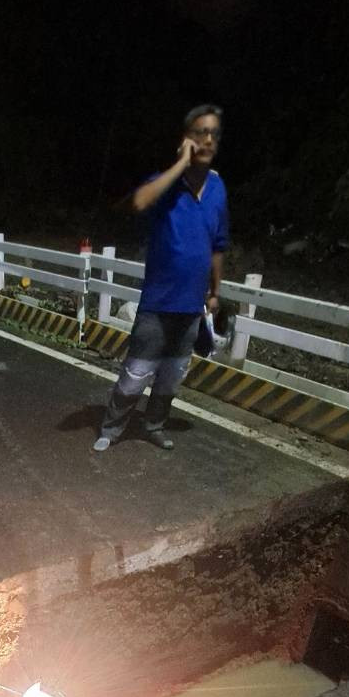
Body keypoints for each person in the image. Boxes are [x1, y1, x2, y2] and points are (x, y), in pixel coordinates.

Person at [94, 104, 229, 452]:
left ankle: (154, 425)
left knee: (172, 376)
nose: (209, 139)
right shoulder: (163, 184)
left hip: (192, 306)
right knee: (135, 375)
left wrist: (215, 292)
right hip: (158, 302)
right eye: (201, 132)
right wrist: (181, 165)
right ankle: (112, 428)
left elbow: (218, 244)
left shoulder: (217, 189)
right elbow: (137, 203)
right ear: (186, 139)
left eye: (214, 133)